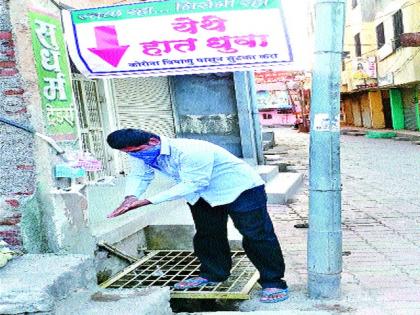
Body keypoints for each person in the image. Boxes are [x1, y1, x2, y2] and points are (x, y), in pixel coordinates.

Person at [106, 128, 288, 303]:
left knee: (256, 235)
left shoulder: (191, 150)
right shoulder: (140, 152)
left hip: (240, 189)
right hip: (202, 195)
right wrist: (130, 197)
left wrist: (148, 201)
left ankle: (273, 282)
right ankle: (213, 274)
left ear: (153, 141)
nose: (135, 156)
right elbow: (140, 175)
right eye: (129, 153)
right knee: (207, 234)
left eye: (137, 151)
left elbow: (194, 182)